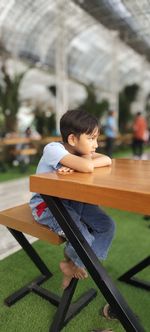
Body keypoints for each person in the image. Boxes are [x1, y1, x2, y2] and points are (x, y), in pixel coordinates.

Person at [29, 109, 116, 325]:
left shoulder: (78, 152)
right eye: (92, 138)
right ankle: (75, 262)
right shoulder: (53, 149)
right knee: (83, 237)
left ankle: (73, 263)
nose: (96, 144)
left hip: (72, 202)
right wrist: (82, 163)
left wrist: (82, 161)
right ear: (72, 139)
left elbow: (107, 159)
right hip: (47, 207)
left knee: (107, 225)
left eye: (96, 138)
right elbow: (90, 165)